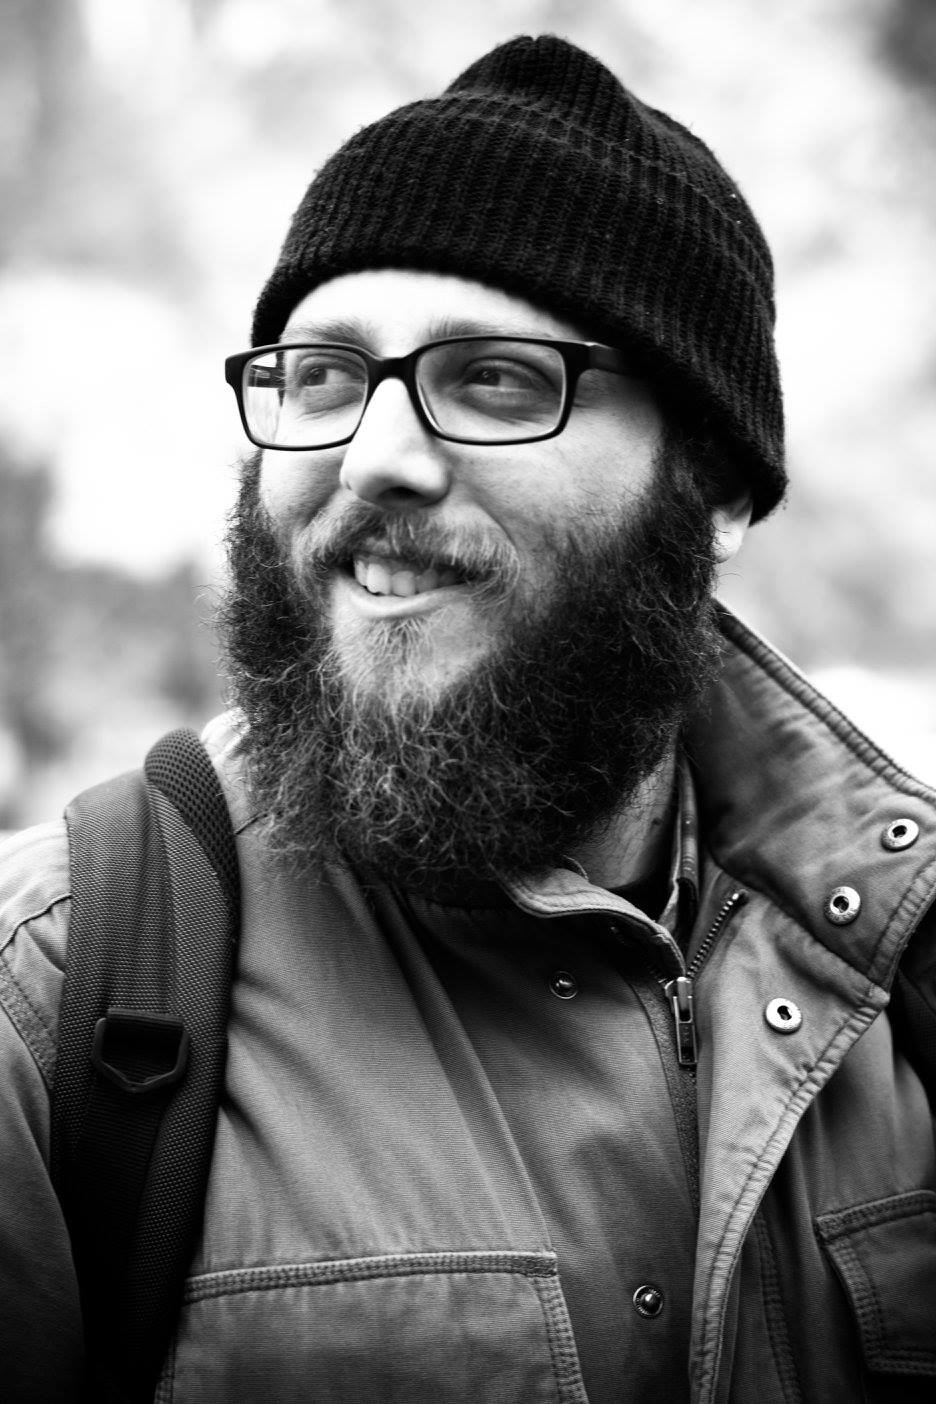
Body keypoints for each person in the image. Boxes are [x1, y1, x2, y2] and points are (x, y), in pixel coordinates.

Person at [1, 32, 934, 1404]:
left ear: (717, 486)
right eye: (323, 377)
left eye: (495, 377)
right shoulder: (51, 992)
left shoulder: (905, 964)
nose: (375, 456)